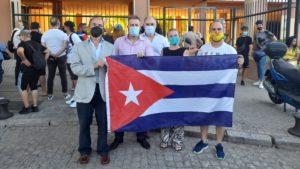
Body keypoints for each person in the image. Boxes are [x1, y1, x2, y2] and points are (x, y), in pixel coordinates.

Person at [192, 20, 244, 160]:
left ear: (223, 30)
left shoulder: (230, 50)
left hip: (223, 91)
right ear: (210, 31)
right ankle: (203, 141)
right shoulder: (203, 49)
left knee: (220, 117)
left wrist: (240, 63)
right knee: (204, 115)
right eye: (214, 29)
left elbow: (235, 72)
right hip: (206, 89)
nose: (216, 31)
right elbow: (198, 68)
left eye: (219, 29)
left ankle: (219, 144)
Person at [71, 17, 112, 165]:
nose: (97, 27)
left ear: (104, 28)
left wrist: (109, 66)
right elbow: (74, 67)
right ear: (89, 28)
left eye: (100, 25)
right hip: (84, 91)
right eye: (94, 25)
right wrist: (94, 66)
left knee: (103, 123)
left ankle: (103, 150)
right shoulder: (79, 47)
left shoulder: (110, 47)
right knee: (84, 123)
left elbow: (117, 69)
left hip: (103, 91)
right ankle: (84, 151)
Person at [110, 15, 154, 150]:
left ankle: (141, 136)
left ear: (140, 27)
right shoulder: (118, 41)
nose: (134, 27)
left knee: (139, 108)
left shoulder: (145, 42)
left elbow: (152, 61)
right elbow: (113, 59)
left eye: (136, 25)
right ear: (127, 26)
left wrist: (144, 57)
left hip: (139, 81)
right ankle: (118, 137)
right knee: (120, 108)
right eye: (131, 25)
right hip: (121, 81)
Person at [160, 28, 187, 151]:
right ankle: (165, 139)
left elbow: (189, 66)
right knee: (166, 113)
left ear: (179, 37)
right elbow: (159, 67)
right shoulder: (164, 51)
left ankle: (178, 140)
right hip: (166, 86)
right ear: (168, 38)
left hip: (180, 86)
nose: (173, 38)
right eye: (171, 36)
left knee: (178, 114)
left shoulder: (184, 51)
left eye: (175, 35)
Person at [16, 30, 49, 114]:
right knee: (34, 87)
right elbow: (47, 51)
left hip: (27, 69)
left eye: (20, 36)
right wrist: (43, 60)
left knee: (23, 88)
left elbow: (19, 51)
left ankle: (27, 108)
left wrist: (24, 60)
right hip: (36, 68)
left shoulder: (22, 44)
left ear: (23, 36)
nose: (19, 38)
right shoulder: (37, 44)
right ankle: (35, 106)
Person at [41, 17, 70, 101]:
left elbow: (42, 45)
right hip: (61, 56)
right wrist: (58, 54)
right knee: (63, 75)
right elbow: (65, 46)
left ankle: (50, 94)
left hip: (50, 56)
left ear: (50, 24)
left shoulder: (45, 34)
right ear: (59, 23)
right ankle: (65, 93)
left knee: (50, 75)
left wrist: (50, 52)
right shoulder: (63, 34)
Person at [253, 20, 277, 89]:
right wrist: (253, 50)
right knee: (258, 67)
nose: (259, 26)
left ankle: (261, 82)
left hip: (264, 53)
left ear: (262, 25)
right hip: (257, 52)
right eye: (258, 24)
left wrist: (269, 47)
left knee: (261, 67)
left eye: (260, 24)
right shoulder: (256, 34)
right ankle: (259, 80)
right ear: (256, 26)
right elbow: (255, 42)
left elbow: (275, 39)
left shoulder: (267, 32)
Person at [64, 21, 82, 108]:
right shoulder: (68, 36)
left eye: (65, 26)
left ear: (67, 27)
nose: (64, 28)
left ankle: (78, 99)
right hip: (69, 59)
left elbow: (80, 46)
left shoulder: (73, 36)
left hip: (73, 60)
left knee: (76, 80)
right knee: (73, 78)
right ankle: (75, 97)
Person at [30, 22, 47, 96]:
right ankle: (44, 91)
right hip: (39, 57)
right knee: (41, 74)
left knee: (29, 73)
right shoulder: (41, 36)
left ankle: (28, 91)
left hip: (29, 56)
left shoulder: (28, 35)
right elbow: (45, 47)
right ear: (38, 28)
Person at [11, 20, 24, 86]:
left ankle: (17, 81)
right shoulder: (18, 31)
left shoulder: (13, 31)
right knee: (20, 66)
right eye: (22, 25)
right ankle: (19, 81)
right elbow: (23, 39)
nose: (22, 26)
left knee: (18, 66)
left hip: (15, 49)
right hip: (19, 50)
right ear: (18, 25)